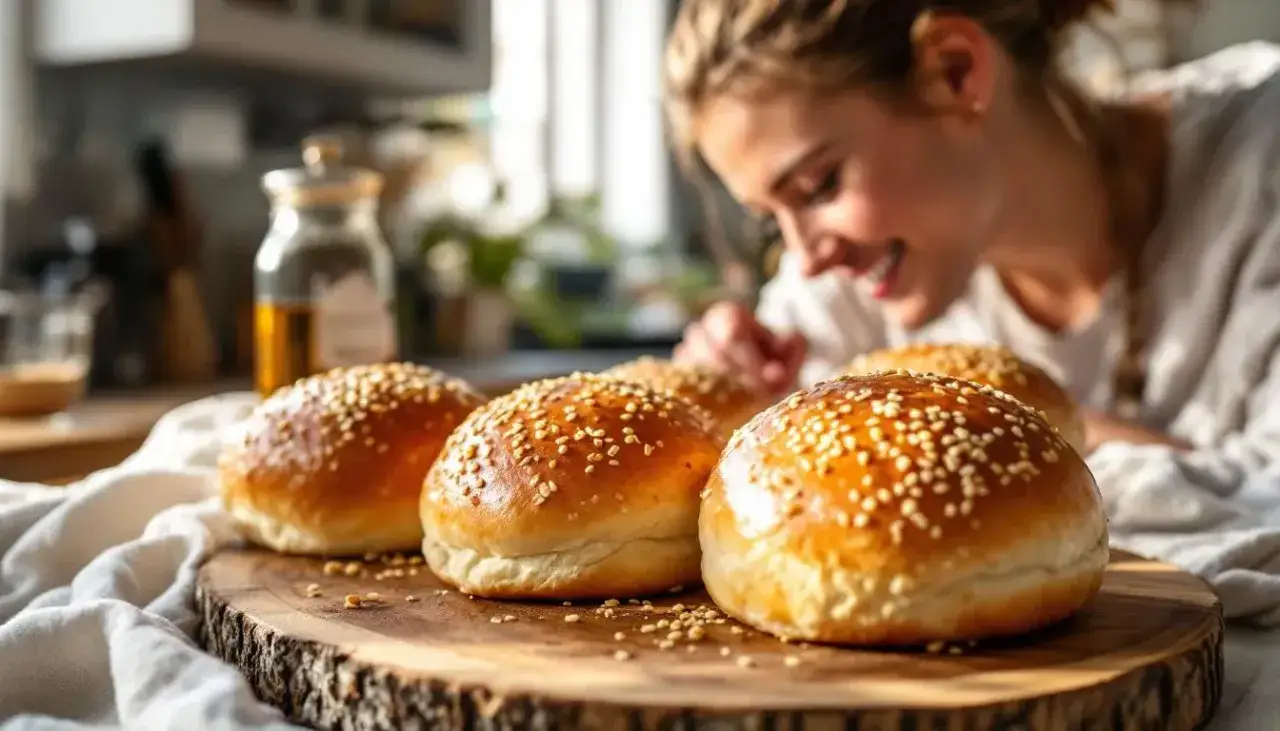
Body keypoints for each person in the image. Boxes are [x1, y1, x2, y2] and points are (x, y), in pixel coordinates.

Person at [663, 0, 1280, 469]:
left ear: (956, 71)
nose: (807, 257)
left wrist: (980, 418)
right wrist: (722, 400)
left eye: (820, 185)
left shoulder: (1260, 157)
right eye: (772, 217)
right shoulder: (851, 281)